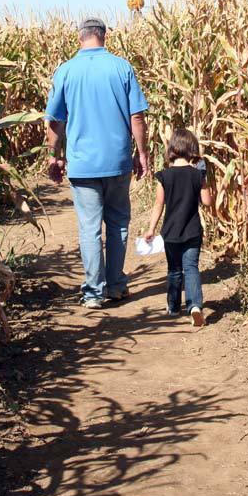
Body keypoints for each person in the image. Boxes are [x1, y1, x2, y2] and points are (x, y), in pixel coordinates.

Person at [44, 17, 149, 309]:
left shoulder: (65, 71)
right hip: (117, 162)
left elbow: (55, 120)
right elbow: (137, 116)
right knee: (117, 223)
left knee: (90, 227)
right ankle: (115, 286)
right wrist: (141, 153)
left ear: (81, 38)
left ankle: (93, 293)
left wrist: (54, 155)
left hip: (82, 164)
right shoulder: (121, 67)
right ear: (103, 36)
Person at [145, 128, 212, 326]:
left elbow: (158, 204)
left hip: (171, 233)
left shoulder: (164, 176)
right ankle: (195, 306)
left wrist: (151, 229)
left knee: (174, 269)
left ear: (172, 149)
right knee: (191, 268)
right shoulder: (197, 175)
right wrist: (206, 180)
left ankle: (173, 307)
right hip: (192, 231)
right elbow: (207, 202)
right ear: (193, 149)